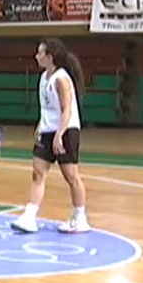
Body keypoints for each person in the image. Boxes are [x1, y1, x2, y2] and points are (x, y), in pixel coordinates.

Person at [10, 38, 90, 234]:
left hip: (66, 130)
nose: (36, 56)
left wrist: (59, 134)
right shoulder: (44, 77)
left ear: (50, 56)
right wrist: (41, 125)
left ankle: (80, 218)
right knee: (38, 172)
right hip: (47, 131)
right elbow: (47, 108)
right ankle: (29, 216)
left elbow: (67, 110)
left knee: (71, 176)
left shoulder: (61, 78)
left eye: (40, 53)